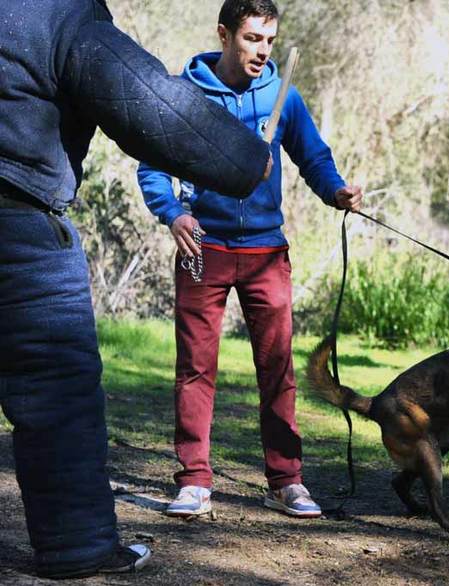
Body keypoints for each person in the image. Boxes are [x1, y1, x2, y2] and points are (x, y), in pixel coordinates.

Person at [0, 0, 273, 578]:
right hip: (16, 225)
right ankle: (77, 547)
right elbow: (146, 100)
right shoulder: (54, 13)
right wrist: (247, 159)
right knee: (57, 392)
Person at [137, 0, 363, 520]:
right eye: (251, 39)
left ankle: (287, 481)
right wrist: (172, 213)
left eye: (269, 40)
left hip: (266, 251)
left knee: (277, 367)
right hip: (203, 250)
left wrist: (337, 193)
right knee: (195, 367)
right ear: (224, 34)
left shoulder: (284, 96)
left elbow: (315, 158)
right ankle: (194, 481)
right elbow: (151, 164)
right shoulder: (185, 94)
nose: (262, 51)